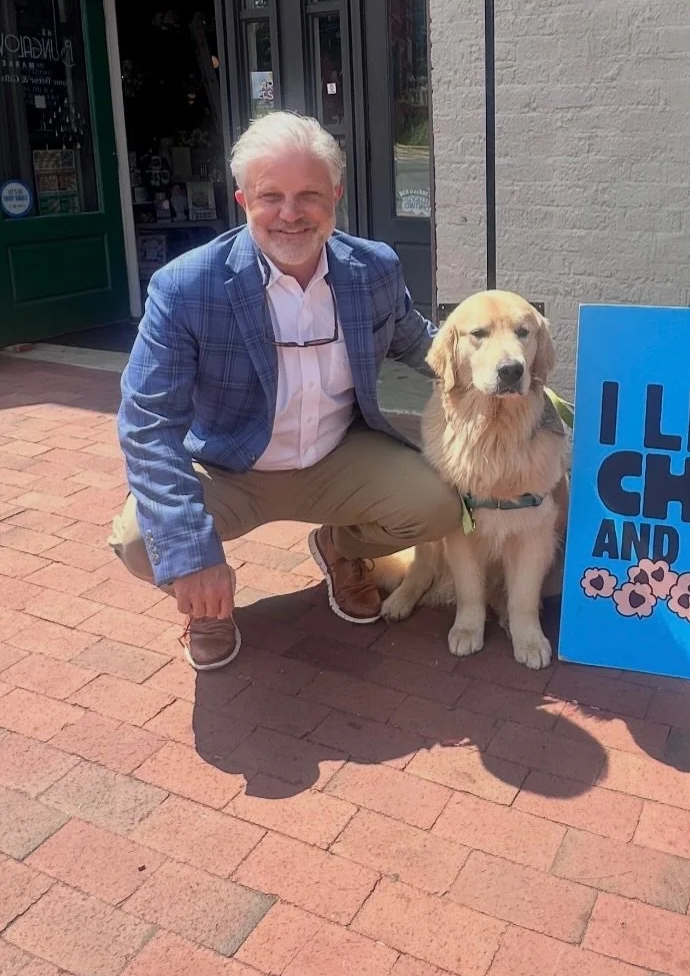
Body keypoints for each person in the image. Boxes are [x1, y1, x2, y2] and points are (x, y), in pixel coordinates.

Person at [111, 111, 460, 670]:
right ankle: (207, 604)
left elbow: (422, 345)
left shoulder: (373, 269)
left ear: (336, 196)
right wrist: (192, 553)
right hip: (230, 466)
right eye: (271, 195)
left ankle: (340, 548)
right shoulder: (185, 287)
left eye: (310, 195)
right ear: (241, 198)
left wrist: (499, 364)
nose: (291, 214)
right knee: (141, 542)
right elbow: (147, 424)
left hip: (335, 457)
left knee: (441, 507)